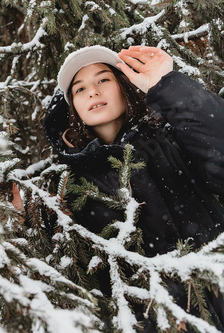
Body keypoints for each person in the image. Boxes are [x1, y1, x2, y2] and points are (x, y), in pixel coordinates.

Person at [42, 45, 224, 331]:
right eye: (79, 89)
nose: (93, 91)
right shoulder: (72, 187)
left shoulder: (171, 138)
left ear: (124, 86)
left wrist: (166, 85)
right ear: (72, 107)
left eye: (103, 79)